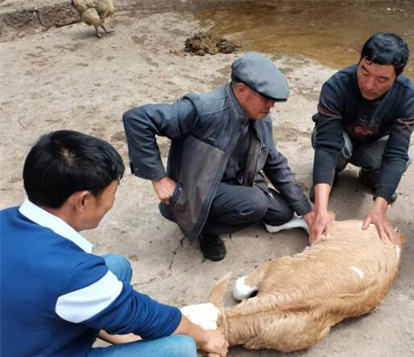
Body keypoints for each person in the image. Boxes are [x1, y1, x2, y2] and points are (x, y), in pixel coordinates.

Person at [0, 131, 229, 357]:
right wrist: (204, 337)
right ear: (82, 200)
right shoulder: (73, 273)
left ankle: (108, 350)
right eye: (111, 192)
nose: (112, 201)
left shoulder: (6, 220)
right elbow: (150, 317)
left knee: (115, 267)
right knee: (179, 356)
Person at [123, 52, 316, 261]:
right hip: (197, 189)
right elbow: (137, 119)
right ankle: (206, 231)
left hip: (237, 183)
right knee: (255, 204)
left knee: (282, 213)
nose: (271, 106)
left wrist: (306, 211)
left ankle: (232, 209)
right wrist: (158, 178)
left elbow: (275, 163)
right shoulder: (203, 109)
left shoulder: (261, 118)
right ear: (241, 90)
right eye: (266, 99)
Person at [310, 32, 414, 245]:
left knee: (402, 158)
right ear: (359, 62)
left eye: (382, 79)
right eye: (364, 72)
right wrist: (320, 210)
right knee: (333, 145)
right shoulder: (336, 86)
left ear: (397, 76)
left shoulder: (408, 96)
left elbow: (396, 153)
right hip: (341, 141)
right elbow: (326, 145)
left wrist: (381, 206)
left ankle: (371, 176)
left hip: (372, 145)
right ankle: (332, 175)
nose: (369, 85)